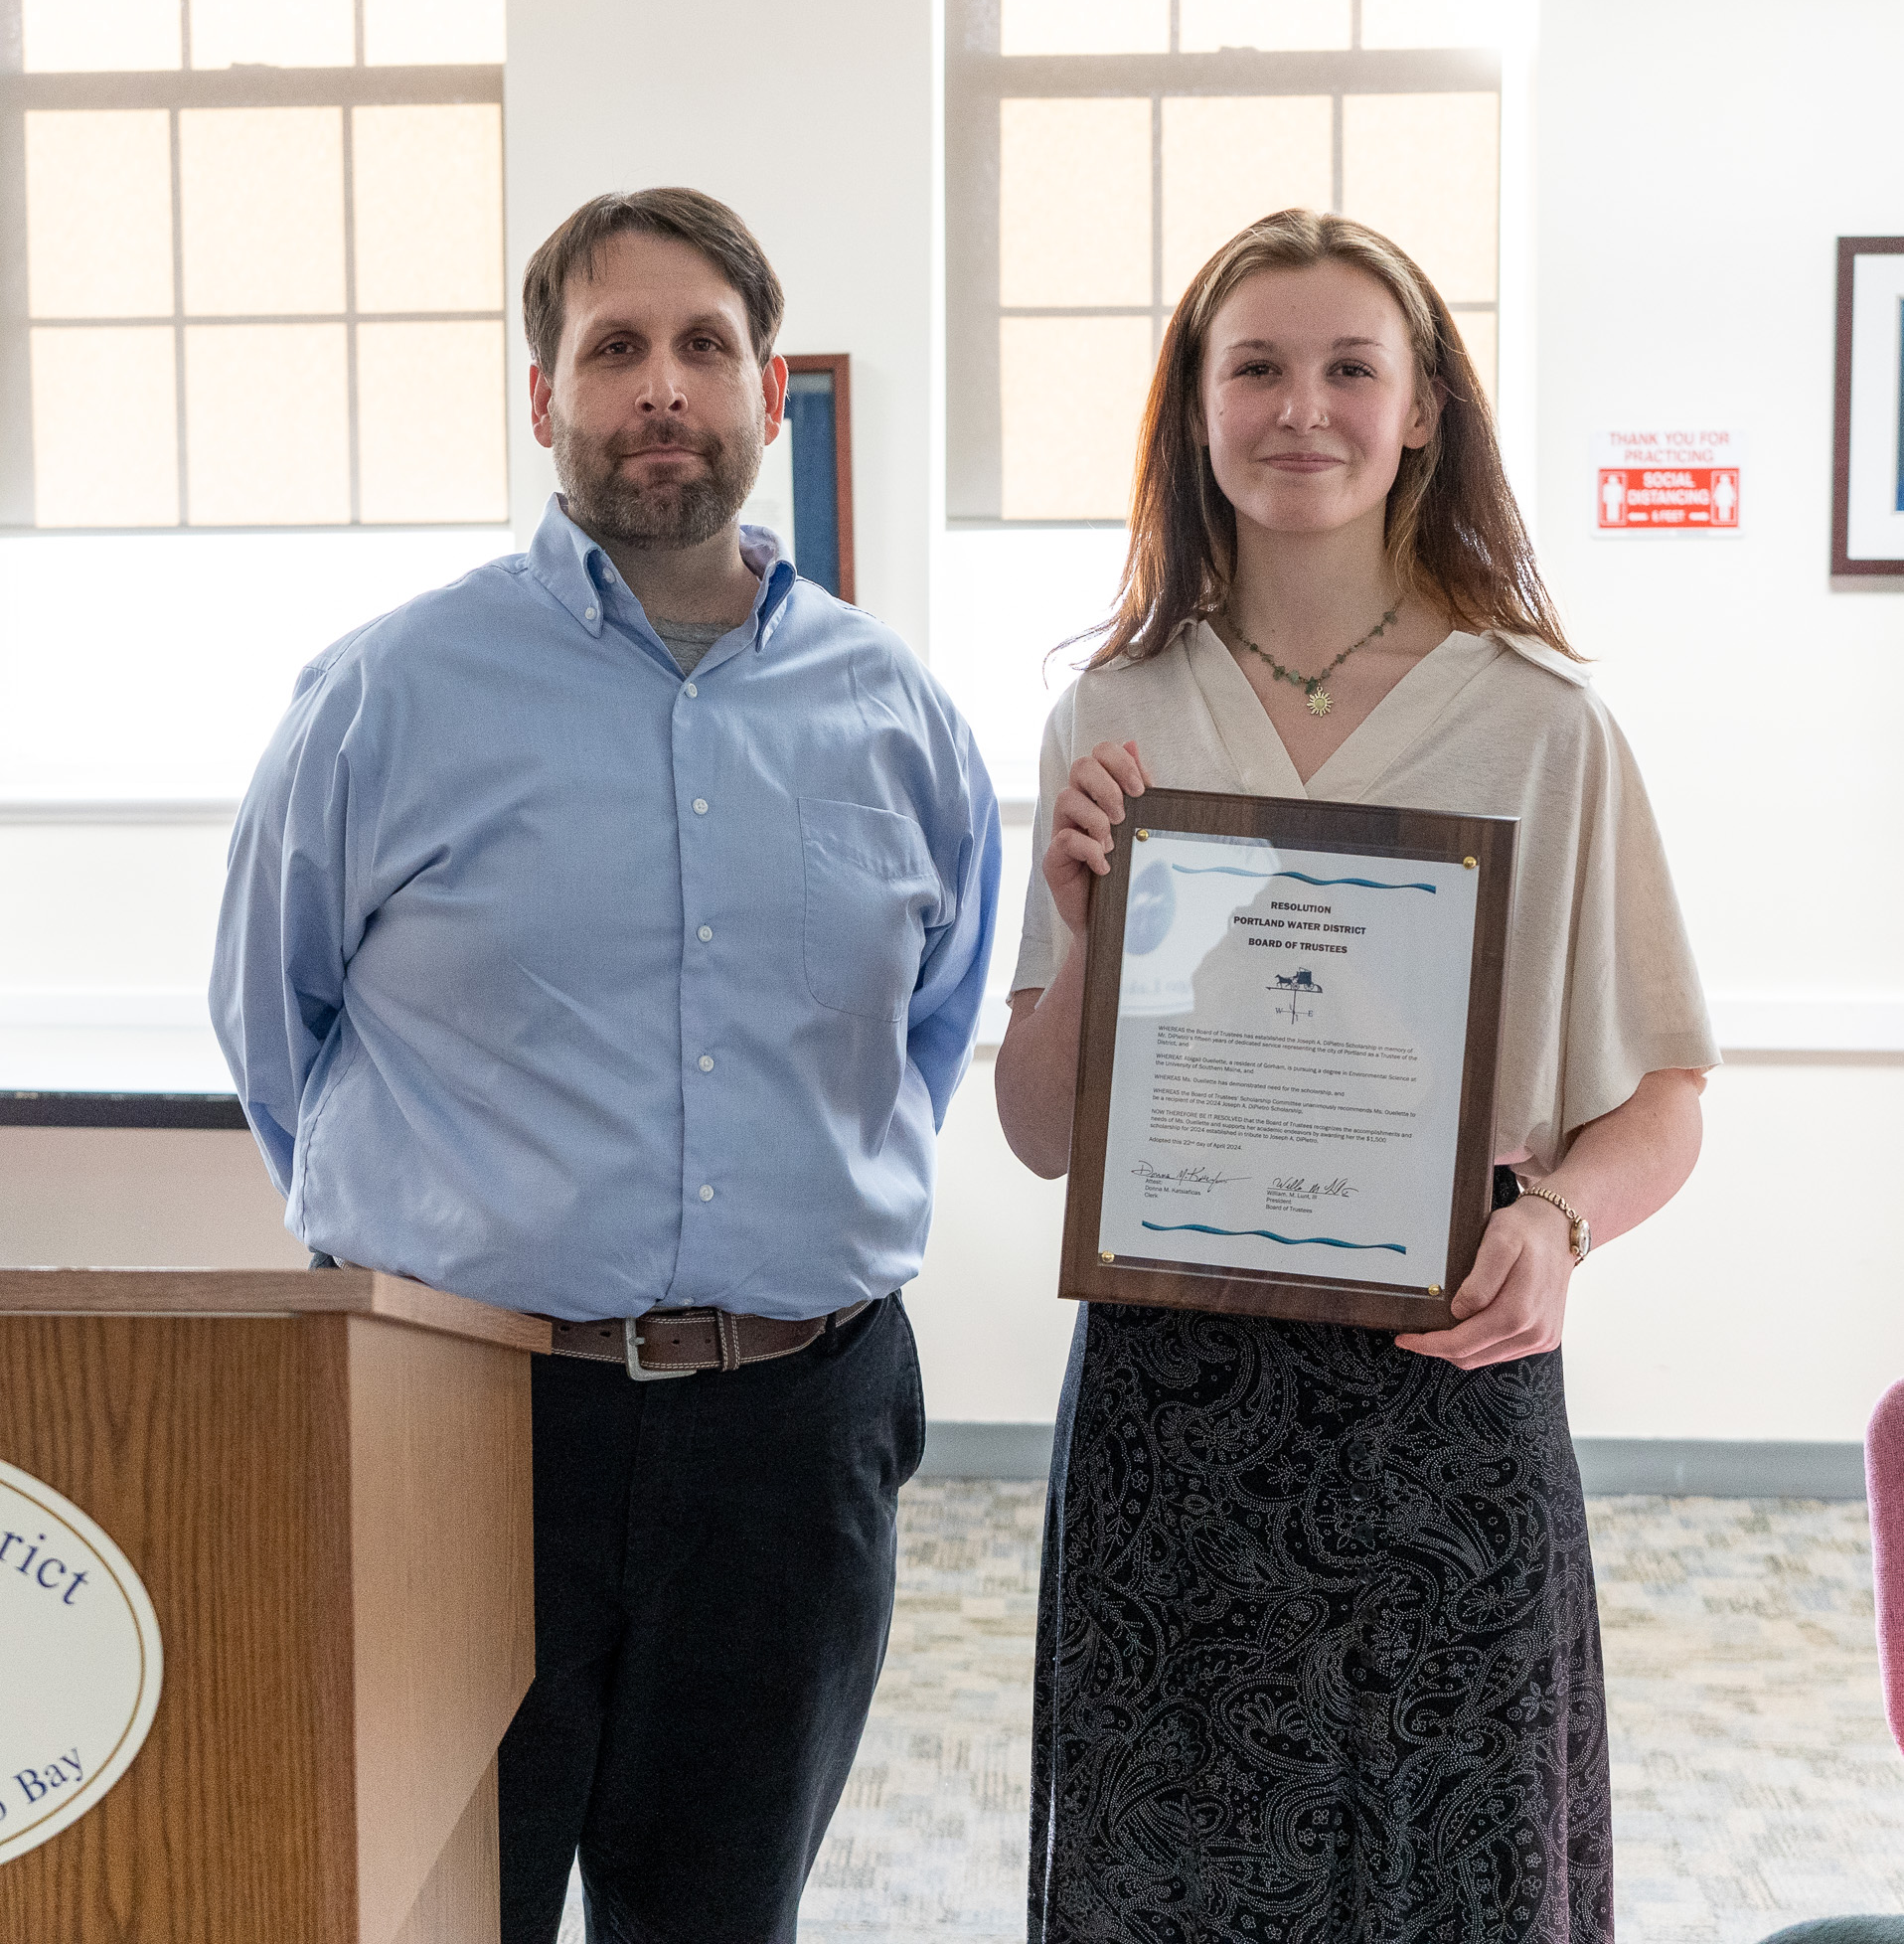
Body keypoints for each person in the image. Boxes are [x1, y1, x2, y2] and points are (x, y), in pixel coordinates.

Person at [211, 187, 1000, 1944]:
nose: (663, 386)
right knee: (436, 1906)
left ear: (769, 393)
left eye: (704, 346)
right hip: (460, 1423)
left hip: (795, 1435)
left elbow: (920, 1035)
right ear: (545, 399)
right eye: (616, 347)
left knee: (720, 1917)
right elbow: (278, 1026)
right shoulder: (388, 695)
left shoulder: (898, 716)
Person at [994, 209, 1716, 1942]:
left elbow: (1665, 1101)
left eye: (1348, 369)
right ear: (1194, 410)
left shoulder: (1544, 723)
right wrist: (1092, 929)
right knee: (1171, 1877)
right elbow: (1033, 1133)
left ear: (1421, 415)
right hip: (1177, 1403)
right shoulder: (1113, 712)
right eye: (1254, 367)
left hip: (1444, 1381)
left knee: (1451, 1876)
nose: (1298, 409)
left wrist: (1557, 1221)